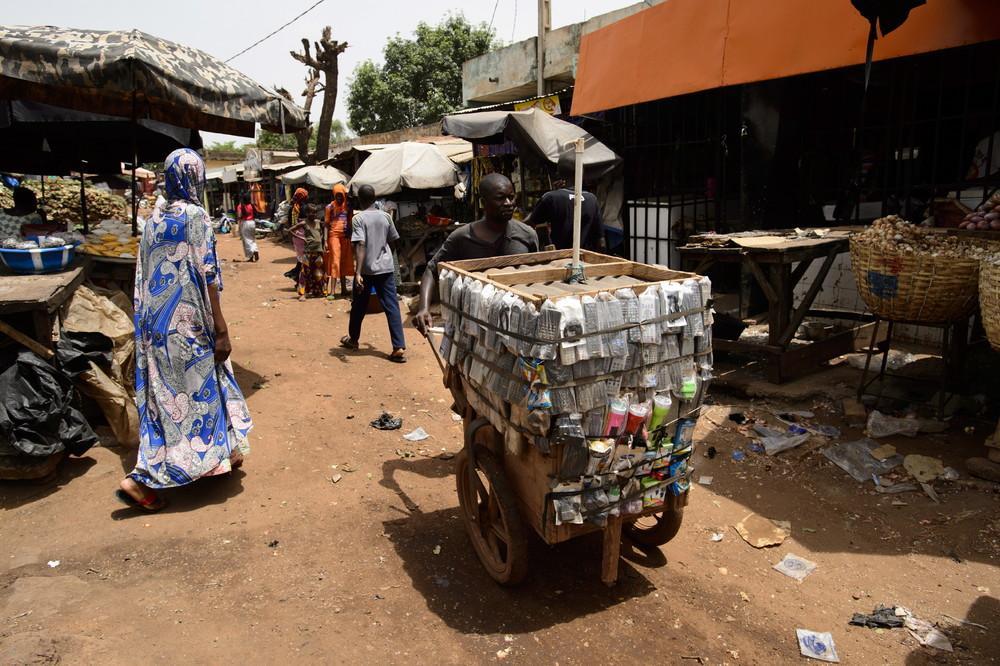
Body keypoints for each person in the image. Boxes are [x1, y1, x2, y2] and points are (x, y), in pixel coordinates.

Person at [116, 148, 252, 512]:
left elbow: (143, 278)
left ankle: (222, 454)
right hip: (190, 326)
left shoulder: (153, 219)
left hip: (155, 330)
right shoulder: (197, 216)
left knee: (167, 400)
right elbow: (207, 274)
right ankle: (141, 477)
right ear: (195, 178)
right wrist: (220, 328)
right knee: (198, 393)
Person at [414, 173, 538, 335]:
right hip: (475, 326)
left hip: (517, 324)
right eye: (500, 198)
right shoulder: (462, 237)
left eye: (511, 197)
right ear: (483, 203)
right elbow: (431, 270)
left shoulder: (527, 235)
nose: (508, 203)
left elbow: (537, 276)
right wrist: (424, 308)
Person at [340, 184, 406, 363]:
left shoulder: (358, 218)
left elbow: (360, 244)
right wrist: (387, 257)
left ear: (359, 199)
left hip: (367, 270)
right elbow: (394, 241)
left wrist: (358, 272)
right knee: (392, 306)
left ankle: (353, 340)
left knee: (358, 306)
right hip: (386, 268)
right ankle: (398, 346)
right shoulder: (385, 216)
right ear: (374, 197)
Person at [525, 154, 604, 251]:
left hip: (559, 258)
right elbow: (601, 241)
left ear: (558, 173)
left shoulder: (550, 198)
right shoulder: (592, 199)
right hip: (584, 259)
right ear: (581, 172)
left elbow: (529, 224)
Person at [324, 183, 354, 297]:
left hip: (345, 237)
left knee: (344, 262)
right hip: (334, 236)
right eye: (337, 196)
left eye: (341, 195)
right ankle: (332, 291)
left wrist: (351, 237)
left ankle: (344, 289)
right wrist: (325, 241)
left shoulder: (348, 206)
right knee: (335, 261)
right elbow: (326, 225)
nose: (339, 198)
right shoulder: (329, 207)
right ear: (334, 195)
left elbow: (350, 223)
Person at [296, 204, 327, 300]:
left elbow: (325, 227)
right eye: (310, 212)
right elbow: (290, 230)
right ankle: (303, 293)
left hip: (318, 251)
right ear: (306, 213)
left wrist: (324, 240)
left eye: (314, 212)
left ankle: (318, 291)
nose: (313, 214)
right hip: (308, 251)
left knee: (318, 272)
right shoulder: (304, 223)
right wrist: (302, 238)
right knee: (305, 272)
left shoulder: (318, 222)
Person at [286, 188, 309, 285]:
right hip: (304, 236)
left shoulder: (292, 208)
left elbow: (289, 223)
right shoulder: (304, 208)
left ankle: (298, 277)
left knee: (300, 258)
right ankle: (300, 279)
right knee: (305, 260)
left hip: (296, 236)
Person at [236, 193, 259, 262]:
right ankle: (254, 251)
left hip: (245, 223)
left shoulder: (240, 206)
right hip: (252, 222)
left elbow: (239, 216)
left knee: (247, 240)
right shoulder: (251, 205)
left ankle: (252, 252)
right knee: (252, 239)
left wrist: (239, 226)